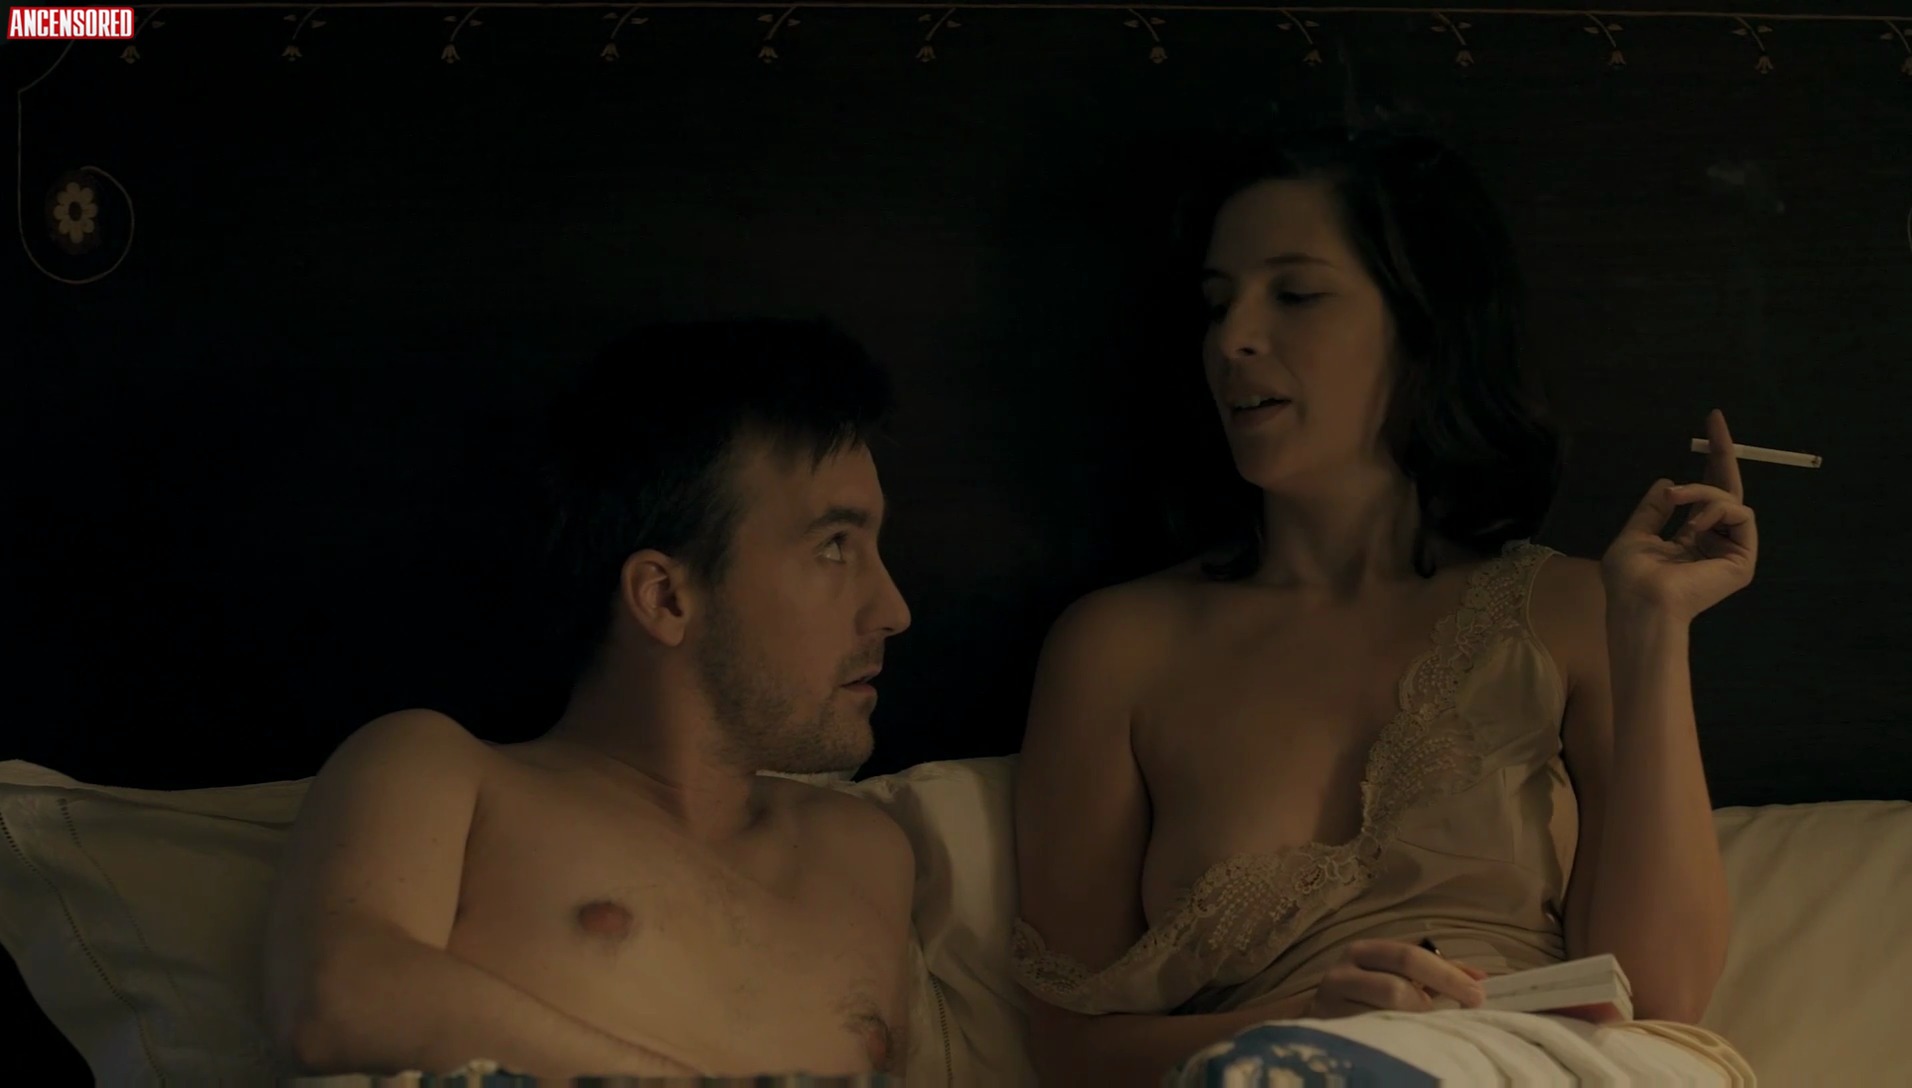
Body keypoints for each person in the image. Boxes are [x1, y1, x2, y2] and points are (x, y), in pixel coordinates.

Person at [1011, 125, 1757, 1085]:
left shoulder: (1570, 611)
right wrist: (1310, 1020)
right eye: (1217, 303)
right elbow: (1071, 1054)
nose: (1233, 340)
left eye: (1295, 294)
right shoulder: (1119, 648)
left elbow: (1662, 1000)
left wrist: (1653, 630)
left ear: (1421, 327)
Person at [261, 318, 917, 1080]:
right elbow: (340, 999)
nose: (894, 610)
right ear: (665, 598)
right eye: (834, 547)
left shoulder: (866, 851)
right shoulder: (442, 771)